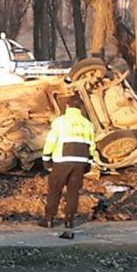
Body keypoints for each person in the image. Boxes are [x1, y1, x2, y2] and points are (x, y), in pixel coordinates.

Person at [40, 97, 97, 229]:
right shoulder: (88, 124)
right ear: (81, 108)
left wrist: (46, 158)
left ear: (67, 106)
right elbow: (92, 145)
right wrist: (89, 162)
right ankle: (69, 221)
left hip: (62, 160)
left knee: (55, 190)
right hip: (80, 161)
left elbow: (51, 141)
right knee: (73, 192)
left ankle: (49, 220)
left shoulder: (60, 122)